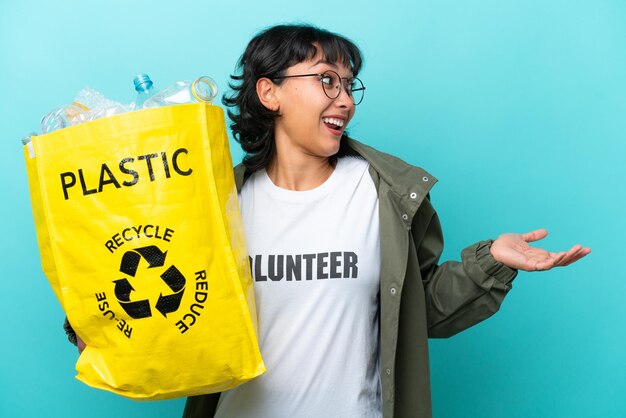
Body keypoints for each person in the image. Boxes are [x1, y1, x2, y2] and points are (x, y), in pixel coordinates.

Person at [66, 23, 590, 418]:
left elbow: (418, 309)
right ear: (268, 93)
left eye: (348, 85)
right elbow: (166, 305)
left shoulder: (383, 194)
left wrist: (489, 264)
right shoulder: (216, 202)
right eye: (326, 80)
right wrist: (99, 331)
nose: (344, 99)